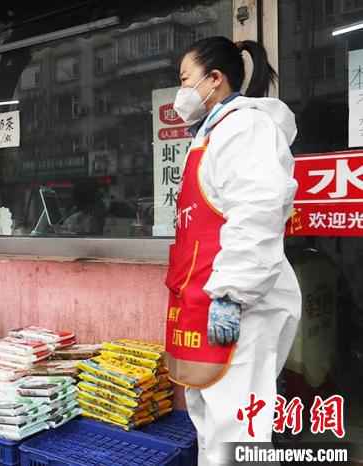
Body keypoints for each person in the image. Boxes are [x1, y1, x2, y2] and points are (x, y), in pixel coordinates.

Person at [164, 37, 301, 465]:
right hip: (205, 303)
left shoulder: (248, 129)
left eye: (185, 79)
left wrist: (231, 295)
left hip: (240, 306)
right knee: (210, 415)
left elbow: (257, 215)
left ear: (215, 79)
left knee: (238, 432)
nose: (180, 91)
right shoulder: (211, 135)